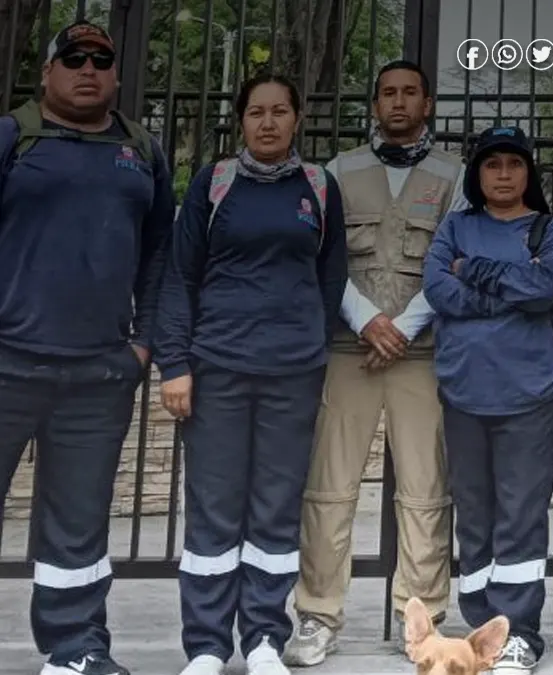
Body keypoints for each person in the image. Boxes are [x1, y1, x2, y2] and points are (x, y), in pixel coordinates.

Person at [152, 73, 348, 675]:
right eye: (257, 112)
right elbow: (180, 277)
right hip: (218, 367)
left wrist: (309, 342)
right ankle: (208, 645)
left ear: (296, 119)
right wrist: (176, 364)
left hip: (293, 370)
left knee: (274, 504)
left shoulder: (318, 186)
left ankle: (264, 637)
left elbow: (330, 277)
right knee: (214, 504)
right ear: (241, 120)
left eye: (280, 111)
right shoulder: (215, 184)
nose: (268, 122)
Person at [0, 20, 174, 675]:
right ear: (47, 72)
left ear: (117, 76)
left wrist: (144, 343)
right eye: (72, 59)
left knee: (78, 523)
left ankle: (75, 649)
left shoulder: (142, 151)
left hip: (99, 371)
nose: (88, 69)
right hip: (7, 362)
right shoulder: (15, 138)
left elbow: (160, 253)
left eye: (101, 59)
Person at [285, 59, 468, 667]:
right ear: (374, 104)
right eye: (387, 93)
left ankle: (423, 620)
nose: (397, 102)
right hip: (349, 349)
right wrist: (367, 321)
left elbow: (455, 260)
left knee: (425, 492)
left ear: (428, 104)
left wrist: (401, 327)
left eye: (409, 93)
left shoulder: (455, 176)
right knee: (329, 490)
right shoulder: (336, 173)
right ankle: (317, 616)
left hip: (421, 351)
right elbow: (326, 259)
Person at [422, 125, 553, 675]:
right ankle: (480, 630)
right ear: (476, 174)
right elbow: (438, 289)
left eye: (513, 164)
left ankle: (518, 633)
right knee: (476, 518)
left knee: (522, 518)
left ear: (528, 173)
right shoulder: (455, 226)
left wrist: (476, 274)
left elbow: (544, 290)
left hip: (529, 395)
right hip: (464, 392)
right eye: (491, 165)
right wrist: (507, 294)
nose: (503, 174)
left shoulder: (548, 232)